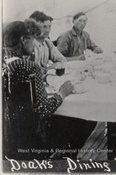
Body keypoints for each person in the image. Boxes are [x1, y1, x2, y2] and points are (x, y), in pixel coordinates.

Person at [2, 20, 74, 158]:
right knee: (77, 122)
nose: (34, 44)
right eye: (32, 39)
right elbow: (44, 108)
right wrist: (62, 93)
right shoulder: (28, 66)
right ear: (23, 39)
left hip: (6, 138)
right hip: (30, 139)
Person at [29, 11, 67, 77]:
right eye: (44, 27)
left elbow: (62, 60)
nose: (48, 30)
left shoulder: (47, 43)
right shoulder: (28, 45)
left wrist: (48, 69)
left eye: (49, 26)